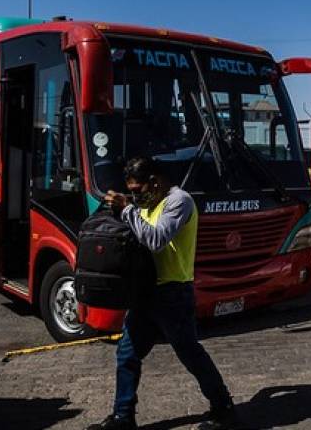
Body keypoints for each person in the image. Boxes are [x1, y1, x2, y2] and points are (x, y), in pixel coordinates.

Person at [88, 157, 237, 430]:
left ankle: (223, 406)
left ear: (155, 182)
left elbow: (156, 240)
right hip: (145, 291)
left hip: (172, 294)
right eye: (131, 191)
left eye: (138, 190)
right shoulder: (145, 204)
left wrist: (127, 211)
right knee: (127, 355)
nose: (135, 195)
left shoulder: (179, 201)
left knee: (189, 353)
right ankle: (123, 416)